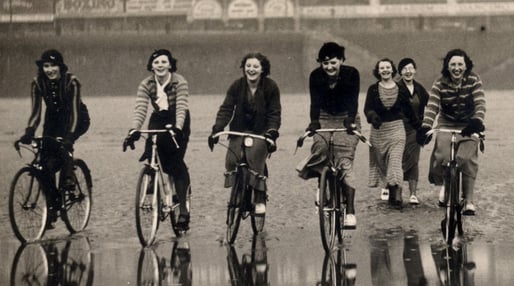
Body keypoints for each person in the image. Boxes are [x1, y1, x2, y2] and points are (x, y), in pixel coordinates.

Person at [16, 49, 90, 228]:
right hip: (52, 119)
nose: (50, 70)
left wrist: (70, 137)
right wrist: (29, 131)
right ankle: (52, 205)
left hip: (76, 118)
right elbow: (36, 111)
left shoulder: (71, 82)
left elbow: (73, 112)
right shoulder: (37, 83)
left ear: (60, 67)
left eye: (53, 65)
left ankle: (69, 176)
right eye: (46, 66)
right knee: (44, 162)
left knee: (63, 148)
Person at [122, 49, 192, 231]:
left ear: (170, 65)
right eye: (156, 63)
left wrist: (177, 128)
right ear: (151, 66)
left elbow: (182, 106)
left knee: (175, 162)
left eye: (163, 62)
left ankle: (183, 210)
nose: (160, 65)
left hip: (179, 118)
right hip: (159, 117)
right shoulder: (146, 84)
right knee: (150, 146)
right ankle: (152, 177)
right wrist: (134, 130)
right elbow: (141, 108)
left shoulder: (179, 82)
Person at [296, 42, 361, 228]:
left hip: (347, 117)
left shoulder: (351, 74)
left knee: (344, 161)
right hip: (324, 116)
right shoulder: (315, 76)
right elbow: (314, 102)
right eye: (325, 64)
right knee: (320, 147)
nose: (329, 67)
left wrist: (350, 120)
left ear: (341, 60)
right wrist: (314, 122)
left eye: (333, 62)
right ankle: (321, 184)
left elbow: (353, 99)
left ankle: (350, 211)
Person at [208, 52, 281, 217]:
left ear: (262, 69)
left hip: (261, 131)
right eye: (248, 66)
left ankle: (260, 196)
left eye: (255, 66)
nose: (251, 69)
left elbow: (274, 113)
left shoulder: (271, 87)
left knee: (255, 156)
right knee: (233, 159)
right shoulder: (237, 86)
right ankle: (239, 191)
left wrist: (272, 132)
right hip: (239, 129)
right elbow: (226, 108)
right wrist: (217, 128)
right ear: (243, 68)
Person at [422, 49, 486, 215]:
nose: (456, 68)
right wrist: (426, 126)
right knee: (441, 156)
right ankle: (446, 183)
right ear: (447, 66)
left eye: (460, 64)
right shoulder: (439, 83)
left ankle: (469, 201)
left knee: (467, 160)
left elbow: (480, 103)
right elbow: (432, 106)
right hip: (446, 123)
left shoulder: (474, 80)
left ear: (466, 66)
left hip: (468, 124)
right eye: (453, 64)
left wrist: (477, 121)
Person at [364, 58, 421, 208]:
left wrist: (420, 129)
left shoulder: (400, 89)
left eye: (388, 67)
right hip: (378, 132)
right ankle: (390, 189)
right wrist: (372, 116)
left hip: (397, 130)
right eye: (382, 68)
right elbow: (367, 109)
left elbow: (409, 111)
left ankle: (397, 195)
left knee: (395, 162)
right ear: (378, 71)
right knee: (383, 164)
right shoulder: (373, 89)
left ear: (392, 69)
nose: (385, 70)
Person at [397, 57, 429, 205]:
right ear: (400, 72)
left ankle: (413, 194)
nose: (408, 71)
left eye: (410, 68)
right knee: (397, 159)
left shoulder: (420, 89)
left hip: (415, 129)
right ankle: (395, 191)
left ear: (415, 70)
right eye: (404, 69)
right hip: (397, 128)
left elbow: (432, 105)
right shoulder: (395, 87)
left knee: (414, 159)